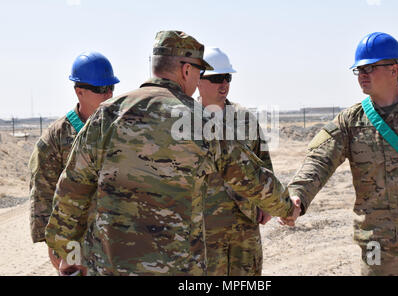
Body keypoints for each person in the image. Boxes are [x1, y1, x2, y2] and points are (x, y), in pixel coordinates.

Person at [45, 31, 300, 276]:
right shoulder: (198, 121)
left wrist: (62, 246)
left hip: (111, 266)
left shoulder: (108, 114)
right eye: (199, 71)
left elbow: (72, 188)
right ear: (186, 70)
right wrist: (287, 208)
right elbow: (249, 176)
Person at [285, 32, 398, 276]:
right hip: (378, 244)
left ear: (394, 69)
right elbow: (319, 160)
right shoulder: (349, 121)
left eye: (370, 68)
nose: (362, 75)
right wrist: (297, 194)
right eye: (358, 70)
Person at [28, 51, 119, 272]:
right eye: (100, 90)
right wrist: (58, 258)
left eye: (111, 88)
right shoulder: (55, 138)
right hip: (77, 244)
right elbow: (43, 195)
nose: (108, 95)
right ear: (80, 91)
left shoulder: (121, 129)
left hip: (117, 242)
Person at [197, 47, 272, 275]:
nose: (224, 84)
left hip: (244, 226)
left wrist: (267, 203)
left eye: (227, 77)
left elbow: (263, 162)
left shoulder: (244, 118)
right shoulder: (184, 121)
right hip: (205, 228)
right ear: (197, 80)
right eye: (216, 78)